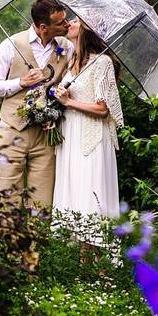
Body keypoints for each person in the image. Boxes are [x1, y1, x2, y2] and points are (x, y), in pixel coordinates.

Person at [0, 0, 72, 208]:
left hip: (46, 135)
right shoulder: (11, 44)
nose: (67, 25)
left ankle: (37, 241)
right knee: (8, 199)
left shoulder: (66, 47)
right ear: (43, 27)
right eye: (61, 23)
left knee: (42, 203)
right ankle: (11, 241)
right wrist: (20, 82)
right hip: (11, 132)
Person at [51, 15, 124, 245]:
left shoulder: (102, 63)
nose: (69, 23)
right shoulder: (71, 61)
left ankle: (100, 272)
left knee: (91, 193)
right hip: (70, 136)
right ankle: (82, 267)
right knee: (76, 195)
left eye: (75, 21)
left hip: (91, 136)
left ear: (87, 29)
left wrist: (68, 103)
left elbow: (103, 109)